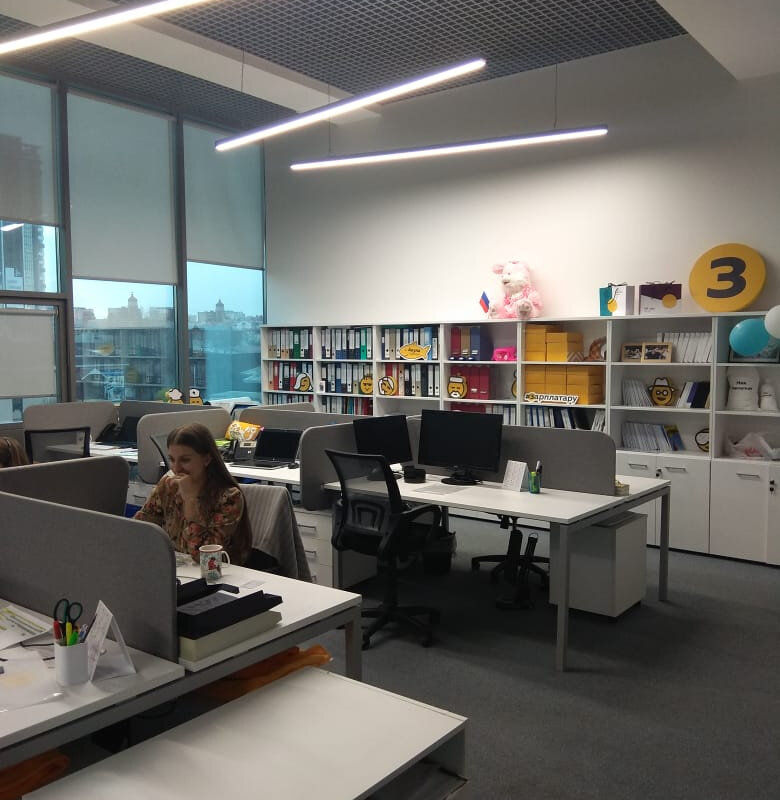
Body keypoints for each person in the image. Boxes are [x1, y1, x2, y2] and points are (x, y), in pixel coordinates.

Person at [134, 423, 251, 565]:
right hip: (173, 567)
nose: (176, 468)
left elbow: (204, 557)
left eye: (185, 460)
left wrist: (190, 500)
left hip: (212, 572)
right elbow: (139, 528)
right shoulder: (168, 485)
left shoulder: (229, 498)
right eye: (172, 459)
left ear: (206, 459)